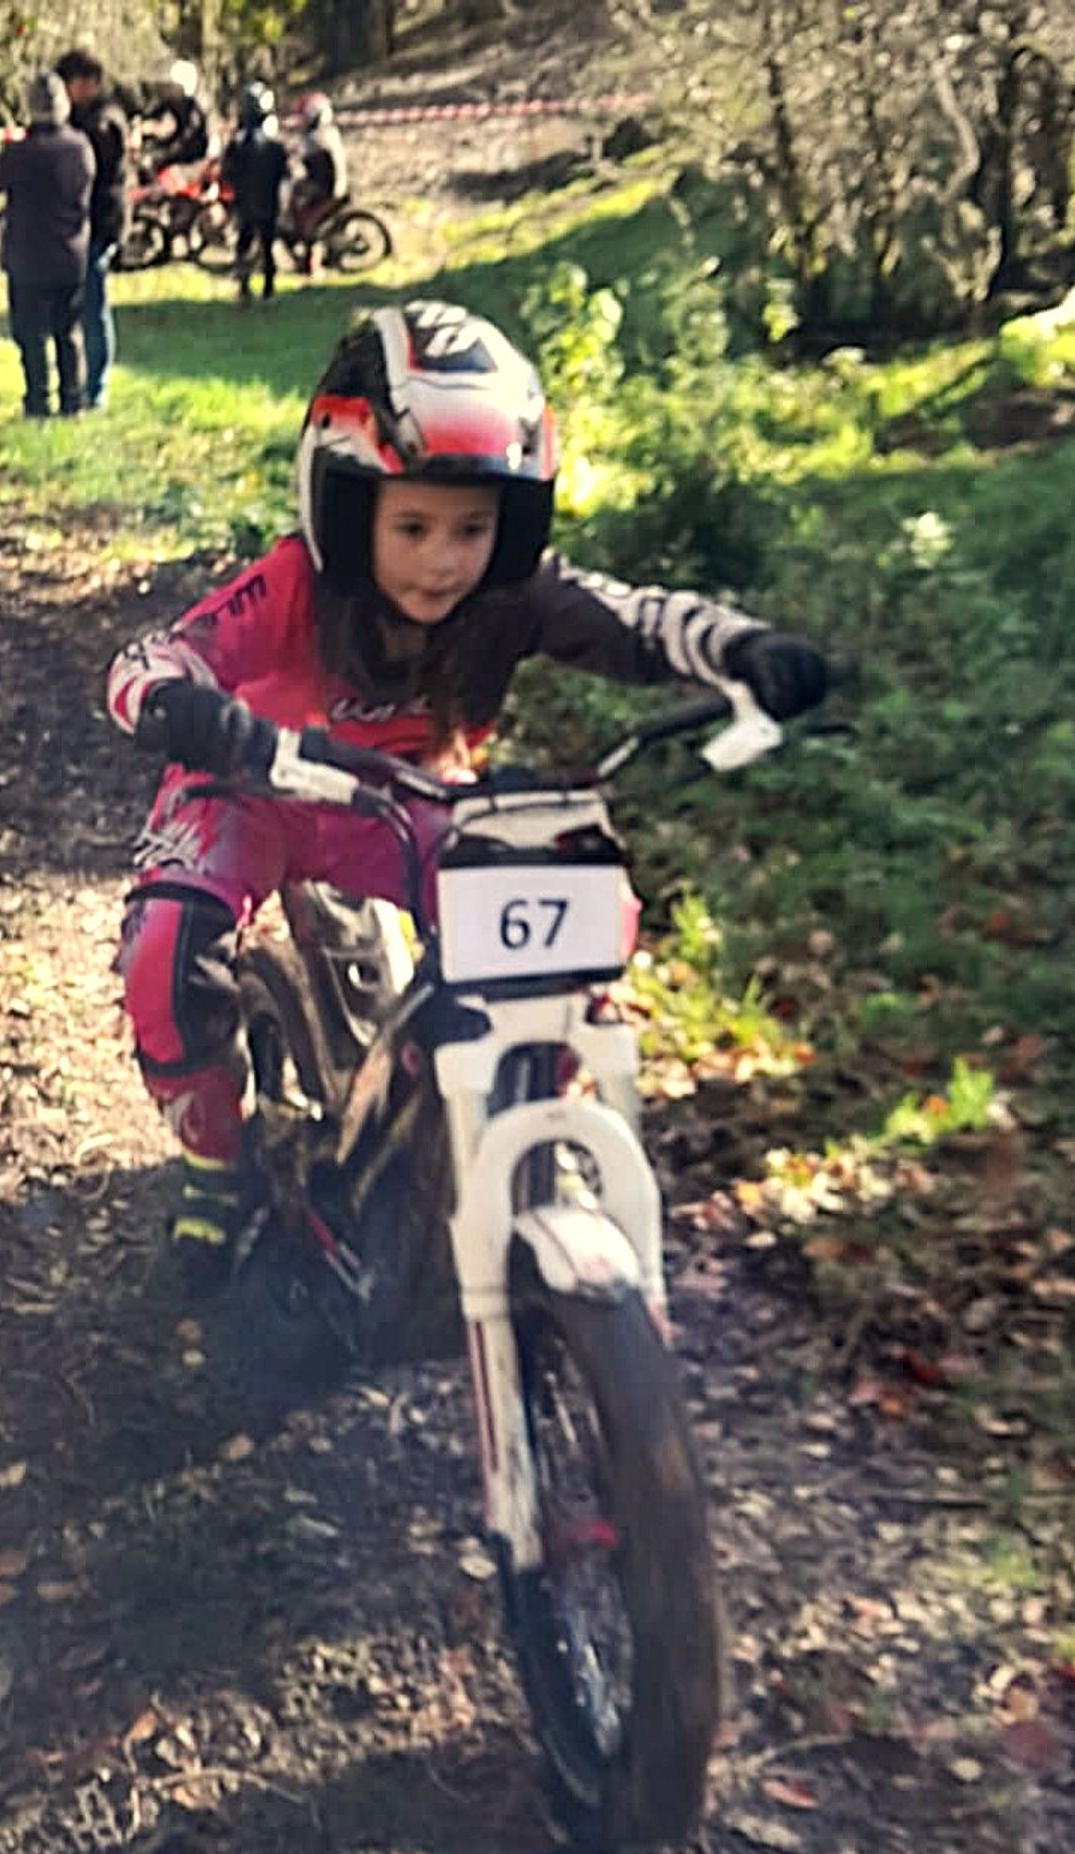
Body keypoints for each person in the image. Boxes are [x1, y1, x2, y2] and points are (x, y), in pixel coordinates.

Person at [106, 300, 829, 1293]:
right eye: (411, 525)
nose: (444, 559)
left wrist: (746, 648)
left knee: (570, 912)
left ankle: (524, 1127)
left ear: (514, 524)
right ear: (347, 507)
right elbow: (155, 655)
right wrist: (182, 707)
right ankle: (213, 1165)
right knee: (167, 949)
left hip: (407, 801)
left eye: (473, 527)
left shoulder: (513, 596)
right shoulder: (291, 589)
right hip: (249, 786)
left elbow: (639, 622)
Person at [0, 70, 95, 419]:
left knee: (30, 335)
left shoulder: (23, 152)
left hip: (28, 255)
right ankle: (73, 399)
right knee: (68, 331)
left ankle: (38, 399)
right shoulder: (80, 148)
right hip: (71, 253)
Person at [55, 48, 130, 411]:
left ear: (86, 84)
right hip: (83, 223)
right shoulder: (84, 118)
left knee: (94, 307)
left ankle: (96, 387)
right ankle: (82, 385)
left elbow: (96, 175)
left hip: (100, 222)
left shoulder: (102, 124)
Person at [220, 81, 289, 305]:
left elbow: (227, 171)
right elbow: (284, 173)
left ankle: (244, 288)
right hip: (269, 201)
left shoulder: (238, 144)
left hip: (245, 201)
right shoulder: (275, 145)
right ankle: (268, 290)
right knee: (268, 246)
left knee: (244, 244)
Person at [286, 89, 347, 275]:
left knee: (307, 223)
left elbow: (309, 160)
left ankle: (312, 264)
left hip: (329, 188)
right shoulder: (326, 133)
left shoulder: (317, 138)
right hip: (328, 184)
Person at [142, 58, 210, 174]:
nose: (164, 90)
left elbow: (184, 146)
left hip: (186, 171)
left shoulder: (193, 115)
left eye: (170, 86)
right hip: (161, 166)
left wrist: (155, 157)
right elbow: (148, 121)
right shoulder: (166, 106)